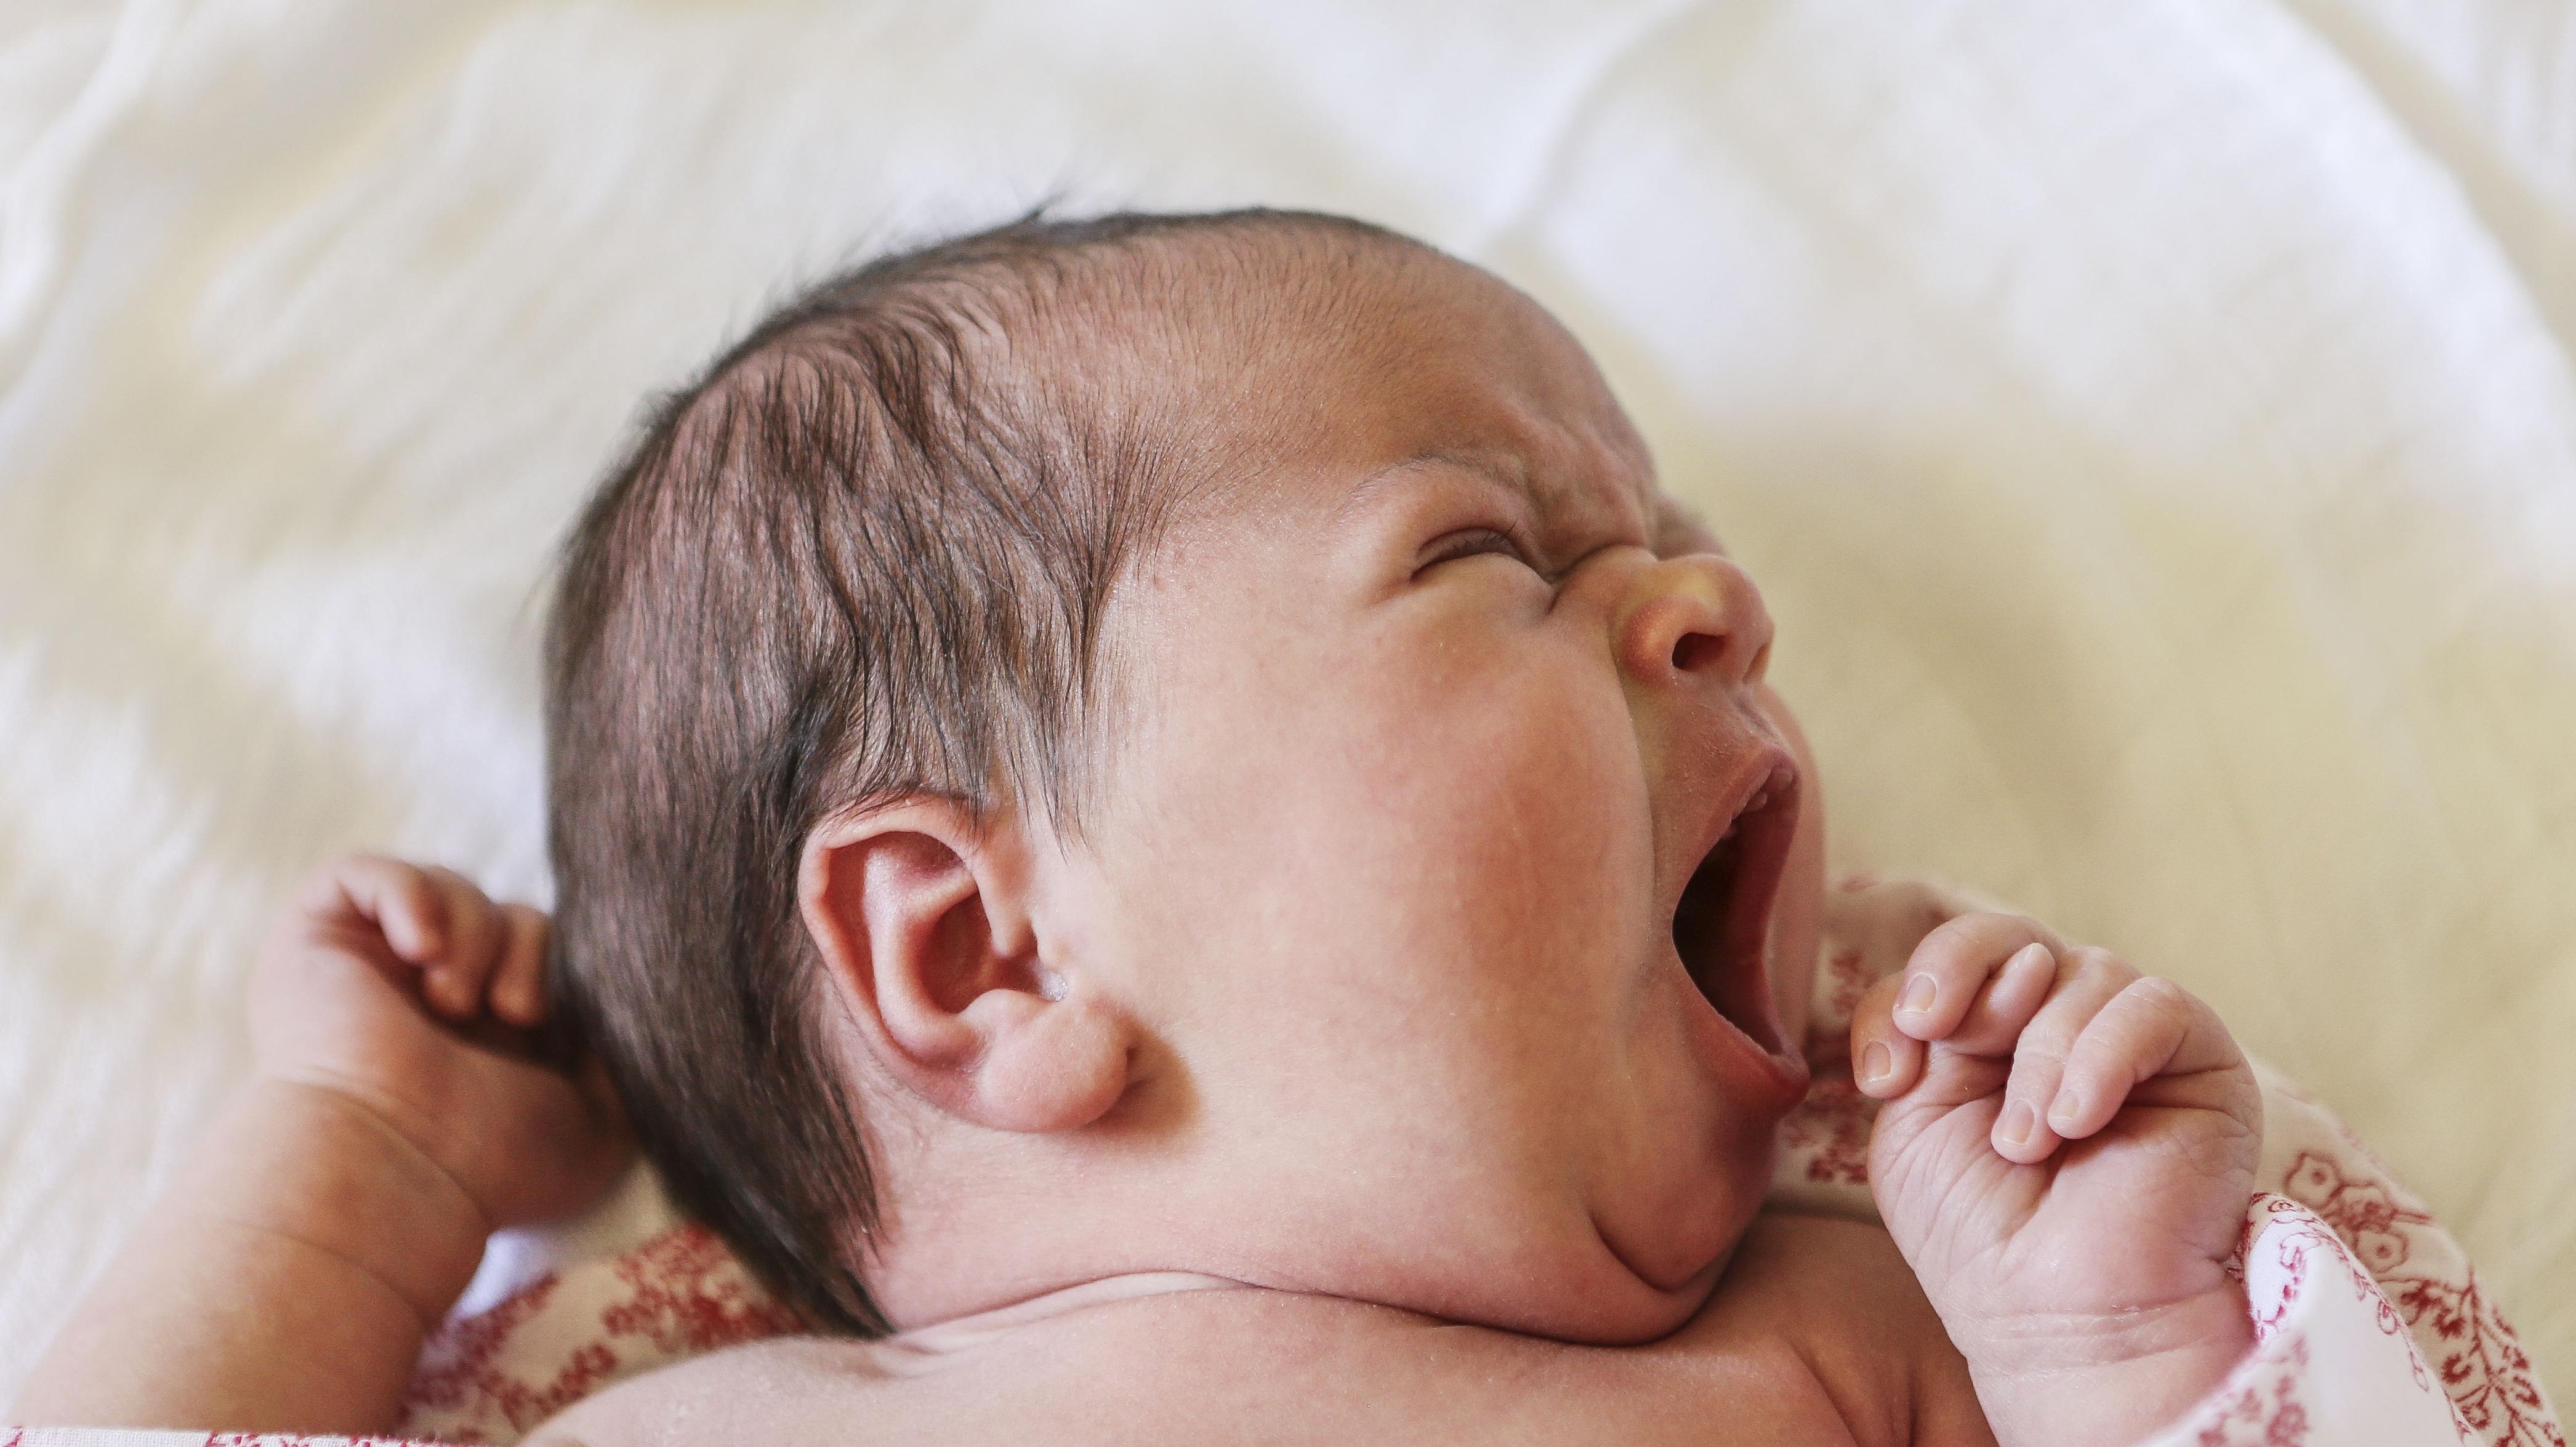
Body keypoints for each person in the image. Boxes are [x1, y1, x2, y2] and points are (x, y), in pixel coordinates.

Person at [15, 210, 2551, 1446]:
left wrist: (2118, 1338)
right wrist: (365, 1161)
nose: (1713, 601)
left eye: (1657, 544)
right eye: (1494, 554)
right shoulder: (680, 1401)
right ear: (972, 954)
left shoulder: (1853, 1341)